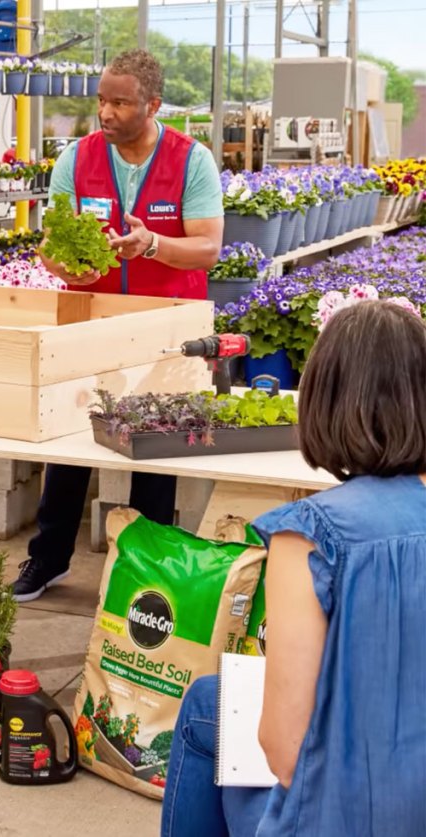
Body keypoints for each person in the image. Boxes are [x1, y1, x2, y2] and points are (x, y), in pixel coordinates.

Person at [162, 300, 426, 836]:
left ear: (323, 401)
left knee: (205, 714)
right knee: (210, 700)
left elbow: (286, 751)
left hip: (351, 816)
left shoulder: (311, 534)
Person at [16, 49, 224, 602]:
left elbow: (207, 248)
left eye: (120, 102)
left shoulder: (191, 159)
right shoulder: (77, 158)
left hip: (165, 327)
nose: (105, 112)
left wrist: (153, 244)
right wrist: (68, 264)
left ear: (153, 104)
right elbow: (50, 248)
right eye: (102, 100)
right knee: (67, 438)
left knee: (154, 450)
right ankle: (48, 559)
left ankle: (145, 570)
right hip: (91, 322)